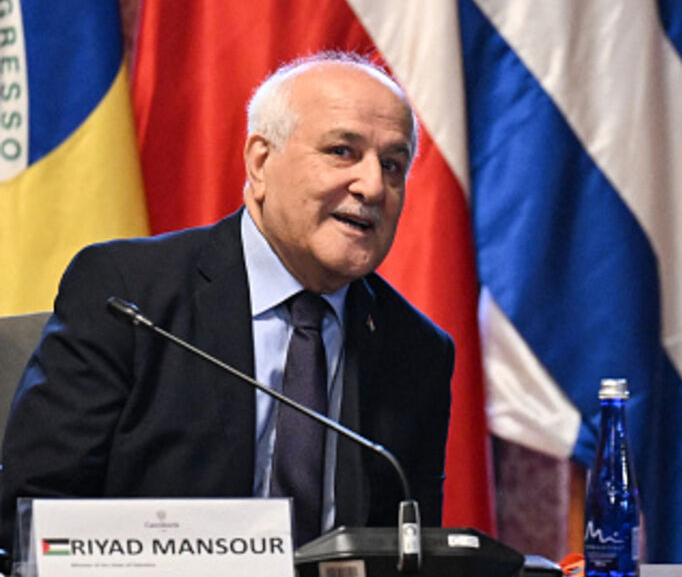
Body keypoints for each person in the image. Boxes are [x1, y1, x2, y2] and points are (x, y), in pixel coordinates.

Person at [0, 53, 453, 553]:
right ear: (260, 161)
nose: (372, 187)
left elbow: (409, 549)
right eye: (342, 151)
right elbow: (34, 510)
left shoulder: (416, 350)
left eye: (393, 165)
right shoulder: (129, 294)